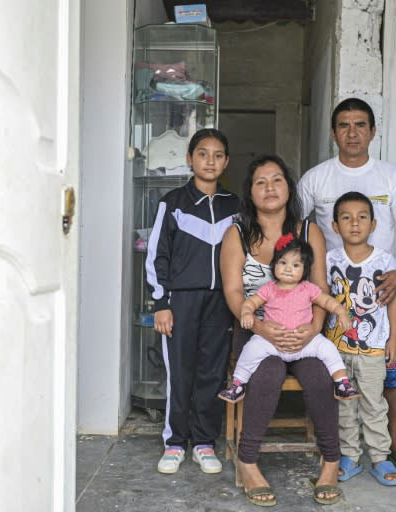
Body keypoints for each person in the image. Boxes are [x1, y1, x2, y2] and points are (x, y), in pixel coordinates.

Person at [298, 97, 396, 475]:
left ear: (372, 130)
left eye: (360, 125)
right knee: (340, 377)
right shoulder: (316, 179)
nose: (352, 133)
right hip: (331, 298)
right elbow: (297, 231)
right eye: (344, 125)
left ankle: (392, 445)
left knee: (391, 373)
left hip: (382, 297)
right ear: (333, 132)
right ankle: (343, 449)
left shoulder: (391, 177)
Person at [220, 154, 342, 506]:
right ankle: (248, 459)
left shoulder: (309, 231)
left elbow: (320, 289)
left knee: (320, 375)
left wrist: (313, 329)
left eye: (277, 179)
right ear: (250, 191)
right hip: (254, 327)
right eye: (260, 181)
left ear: (289, 188)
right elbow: (232, 292)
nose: (269, 187)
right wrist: (261, 327)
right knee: (269, 372)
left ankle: (331, 461)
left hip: (304, 327)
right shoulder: (237, 232)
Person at [146, 128, 239, 475]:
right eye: (203, 153)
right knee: (180, 373)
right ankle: (174, 442)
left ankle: (203, 442)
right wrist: (161, 302)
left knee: (211, 373)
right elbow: (158, 255)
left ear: (226, 161)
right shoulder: (172, 203)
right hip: (180, 301)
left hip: (221, 303)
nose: (210, 161)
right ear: (190, 158)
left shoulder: (235, 206)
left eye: (218, 155)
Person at [218, 234, 359, 403]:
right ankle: (238, 384)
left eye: (296, 265)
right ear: (274, 265)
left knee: (327, 348)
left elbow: (327, 301)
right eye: (282, 262)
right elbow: (250, 302)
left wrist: (341, 312)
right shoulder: (269, 288)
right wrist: (247, 313)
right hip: (273, 343)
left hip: (304, 343)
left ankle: (341, 383)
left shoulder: (308, 288)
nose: (288, 268)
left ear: (305, 269)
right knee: (251, 348)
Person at [326, 191, 396, 486]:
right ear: (335, 226)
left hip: (373, 349)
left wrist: (393, 339)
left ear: (373, 224)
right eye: (346, 218)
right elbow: (322, 298)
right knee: (344, 405)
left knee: (373, 404)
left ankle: (380, 457)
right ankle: (350, 457)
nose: (354, 224)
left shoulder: (384, 260)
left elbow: (392, 301)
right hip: (337, 349)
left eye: (362, 218)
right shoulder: (330, 259)